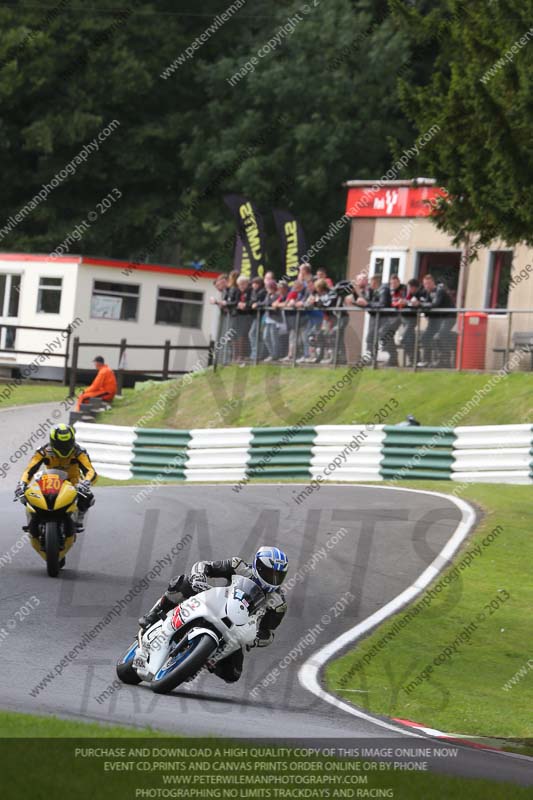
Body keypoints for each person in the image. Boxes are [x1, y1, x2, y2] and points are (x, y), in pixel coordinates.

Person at [139, 546, 289, 684]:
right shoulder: (238, 566)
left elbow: (268, 633)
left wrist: (255, 639)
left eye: (278, 576)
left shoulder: (278, 603)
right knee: (184, 582)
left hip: (236, 629)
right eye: (270, 573)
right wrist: (198, 577)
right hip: (216, 604)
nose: (274, 579)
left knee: (233, 674)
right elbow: (205, 566)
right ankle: (153, 614)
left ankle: (200, 660)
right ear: (258, 566)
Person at [15, 423, 97, 532]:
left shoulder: (79, 452)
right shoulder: (43, 451)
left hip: (73, 483)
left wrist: (86, 482)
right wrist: (22, 483)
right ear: (53, 442)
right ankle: (32, 519)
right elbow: (29, 470)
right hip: (49, 482)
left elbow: (90, 471)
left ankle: (79, 517)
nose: (64, 447)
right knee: (25, 494)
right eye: (61, 444)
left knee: (88, 496)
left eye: (68, 443)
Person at [410, 274, 456, 367]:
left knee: (438, 337)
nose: (426, 286)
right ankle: (426, 360)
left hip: (448, 318)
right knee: (425, 337)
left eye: (428, 284)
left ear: (433, 283)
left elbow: (435, 304)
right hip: (436, 319)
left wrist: (420, 304)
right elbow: (425, 304)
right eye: (425, 284)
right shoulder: (427, 293)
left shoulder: (440, 290)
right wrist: (416, 304)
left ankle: (443, 361)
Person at [381, 274, 406, 366]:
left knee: (406, 337)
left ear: (399, 282)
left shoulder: (403, 289)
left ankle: (395, 358)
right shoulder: (388, 290)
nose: (393, 285)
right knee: (383, 333)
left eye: (395, 283)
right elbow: (388, 303)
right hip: (391, 317)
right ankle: (393, 357)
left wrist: (397, 303)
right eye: (392, 283)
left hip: (402, 316)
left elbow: (403, 301)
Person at [248, 276, 267, 362]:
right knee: (255, 334)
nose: (254, 285)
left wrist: (256, 303)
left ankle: (256, 354)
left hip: (261, 316)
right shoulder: (253, 291)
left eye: (256, 283)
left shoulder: (263, 292)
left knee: (253, 334)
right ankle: (256, 354)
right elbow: (250, 302)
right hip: (255, 316)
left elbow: (262, 302)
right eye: (253, 283)